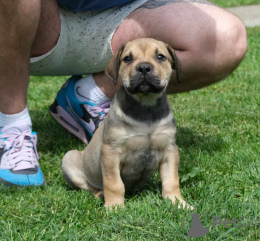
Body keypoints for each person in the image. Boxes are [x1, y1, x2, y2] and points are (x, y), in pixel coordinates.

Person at [0, 0, 247, 186]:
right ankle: (13, 126)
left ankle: (90, 94)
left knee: (227, 37)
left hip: (127, 15)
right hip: (34, 18)